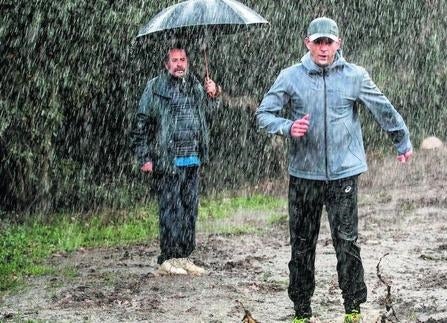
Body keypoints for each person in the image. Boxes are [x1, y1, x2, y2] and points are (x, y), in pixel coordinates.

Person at [256, 17, 413, 322]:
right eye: (318, 42)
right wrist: (288, 126)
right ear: (308, 43)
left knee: (347, 243)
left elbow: (381, 108)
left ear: (338, 44)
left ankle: (352, 309)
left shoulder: (355, 76)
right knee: (302, 245)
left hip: (343, 174)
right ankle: (302, 311)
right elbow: (264, 115)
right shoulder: (290, 77)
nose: (324, 48)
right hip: (304, 176)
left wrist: (402, 140)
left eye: (329, 42)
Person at [131, 45, 222, 269]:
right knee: (170, 210)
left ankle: (184, 256)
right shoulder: (155, 87)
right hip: (166, 161)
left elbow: (208, 117)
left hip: (192, 159)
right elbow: (140, 124)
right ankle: (169, 258)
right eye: (174, 60)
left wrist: (214, 94)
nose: (179, 64)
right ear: (166, 64)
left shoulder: (196, 86)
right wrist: (144, 157)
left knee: (189, 210)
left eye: (183, 59)